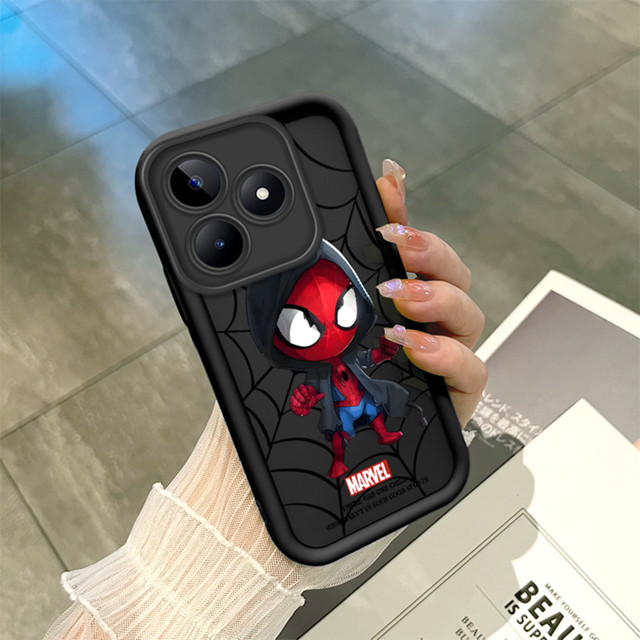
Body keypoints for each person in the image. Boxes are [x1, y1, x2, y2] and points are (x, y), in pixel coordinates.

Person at [43, 160, 488, 640]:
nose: (330, 329)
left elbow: (373, 349)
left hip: (361, 394)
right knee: (339, 424)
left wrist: (384, 349)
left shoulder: (358, 342)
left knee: (381, 400)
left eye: (343, 308)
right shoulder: (297, 372)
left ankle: (379, 429)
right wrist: (246, 549)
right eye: (305, 323)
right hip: (334, 413)